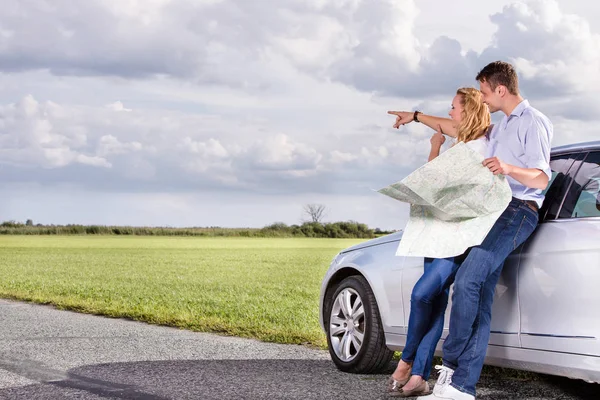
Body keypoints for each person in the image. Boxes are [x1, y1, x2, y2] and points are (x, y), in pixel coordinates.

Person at [405, 61, 552, 400]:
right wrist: (415, 116)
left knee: (469, 279)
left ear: (501, 89)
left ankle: (453, 364)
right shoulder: (499, 128)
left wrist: (507, 167)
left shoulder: (534, 121)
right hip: (493, 210)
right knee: (481, 295)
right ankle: (460, 388)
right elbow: (457, 129)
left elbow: (542, 177)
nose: (483, 99)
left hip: (518, 211)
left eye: (485, 92)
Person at [384, 87, 491, 397]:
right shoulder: (464, 137)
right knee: (436, 300)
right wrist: (416, 117)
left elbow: (432, 183)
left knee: (422, 295)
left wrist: (434, 148)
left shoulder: (480, 144)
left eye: (454, 108)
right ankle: (418, 376)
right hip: (439, 231)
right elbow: (442, 126)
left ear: (468, 111)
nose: (449, 113)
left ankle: (406, 361)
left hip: (457, 238)